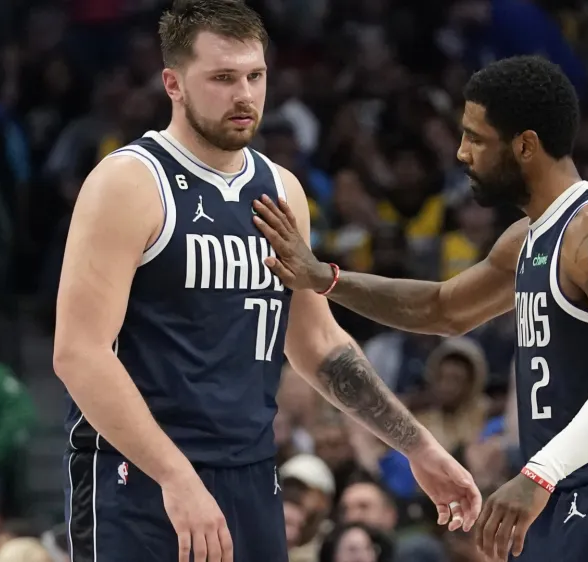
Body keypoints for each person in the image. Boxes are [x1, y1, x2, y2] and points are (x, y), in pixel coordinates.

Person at [52, 2, 481, 562]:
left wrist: (418, 448)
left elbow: (318, 345)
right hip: (141, 475)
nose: (244, 95)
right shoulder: (129, 182)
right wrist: (176, 477)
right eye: (223, 78)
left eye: (255, 76)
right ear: (173, 84)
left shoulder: (280, 191)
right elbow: (78, 354)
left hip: (251, 474)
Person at [253, 55, 588, 561]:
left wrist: (538, 473)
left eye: (475, 138)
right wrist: (325, 277)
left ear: (524, 145)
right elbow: (442, 308)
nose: (461, 153)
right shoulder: (529, 238)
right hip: (559, 493)